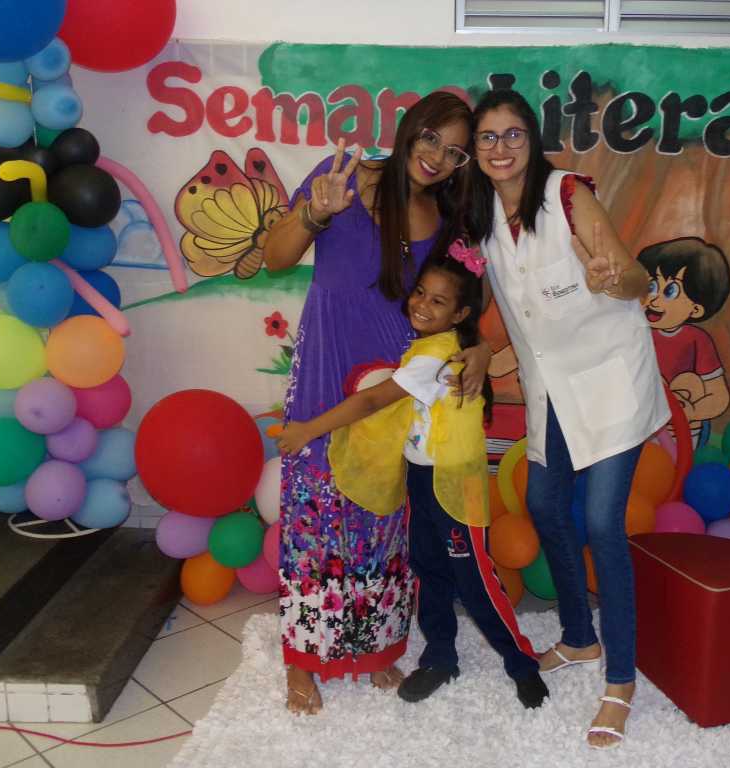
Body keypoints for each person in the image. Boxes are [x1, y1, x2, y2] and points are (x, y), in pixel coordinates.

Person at [262, 91, 489, 716]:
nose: (437, 157)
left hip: (393, 391)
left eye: (454, 152)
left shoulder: (447, 218)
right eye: (431, 138)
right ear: (410, 130)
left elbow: (463, 307)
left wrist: (481, 349)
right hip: (324, 372)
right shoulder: (343, 177)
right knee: (313, 518)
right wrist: (315, 214)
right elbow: (274, 257)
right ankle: (303, 659)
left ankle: (374, 648)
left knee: (380, 519)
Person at [466, 89, 670, 749]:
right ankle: (580, 637)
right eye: (488, 137)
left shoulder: (567, 195)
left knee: (604, 522)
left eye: (513, 134)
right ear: (475, 149)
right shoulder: (481, 217)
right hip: (551, 387)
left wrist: (617, 277)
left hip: (610, 380)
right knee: (545, 504)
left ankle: (621, 680)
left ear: (532, 140)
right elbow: (480, 293)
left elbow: (633, 277)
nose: (500, 148)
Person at [277, 250, 548, 709]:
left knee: (475, 579)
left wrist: (309, 429)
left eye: (438, 301)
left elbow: (372, 401)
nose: (421, 304)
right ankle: (440, 657)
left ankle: (521, 663)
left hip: (454, 484)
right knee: (427, 569)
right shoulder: (426, 345)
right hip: (423, 478)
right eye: (420, 292)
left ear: (460, 314)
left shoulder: (437, 356)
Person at [637, 237, 730, 446]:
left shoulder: (697, 340)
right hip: (643, 427)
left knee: (688, 382)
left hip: (684, 430)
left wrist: (690, 412)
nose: (654, 299)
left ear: (696, 309)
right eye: (651, 286)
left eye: (670, 291)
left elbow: (718, 393)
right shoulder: (637, 333)